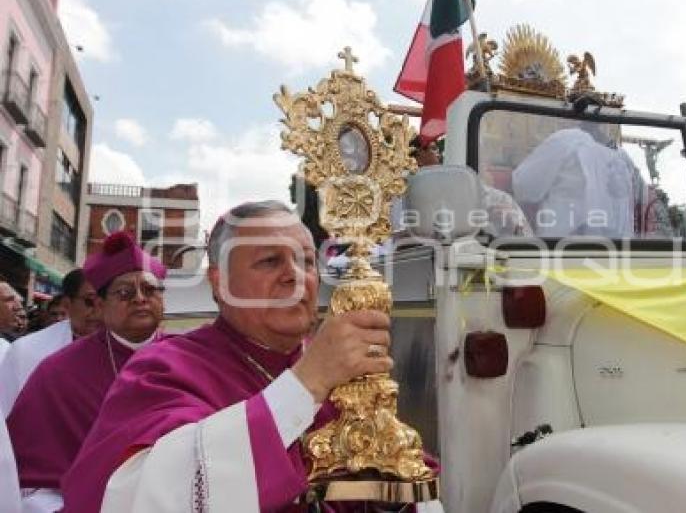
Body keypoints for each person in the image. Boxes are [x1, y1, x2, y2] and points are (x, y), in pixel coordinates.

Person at [62, 201, 441, 512]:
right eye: (270, 261)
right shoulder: (163, 368)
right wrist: (306, 384)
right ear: (219, 282)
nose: (296, 276)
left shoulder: (343, 374)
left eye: (307, 261)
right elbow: (147, 494)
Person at [5, 232, 166, 512]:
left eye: (150, 290)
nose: (140, 299)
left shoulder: (192, 359)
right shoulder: (57, 373)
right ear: (101, 306)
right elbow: (29, 484)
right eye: (125, 293)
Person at [0, 270, 101, 417]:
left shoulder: (129, 348)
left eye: (105, 301)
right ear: (68, 303)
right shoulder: (26, 351)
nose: (99, 311)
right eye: (90, 302)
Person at [512, 122, 637, 238]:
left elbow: (523, 187)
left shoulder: (567, 140)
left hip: (564, 248)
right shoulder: (623, 157)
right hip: (618, 252)